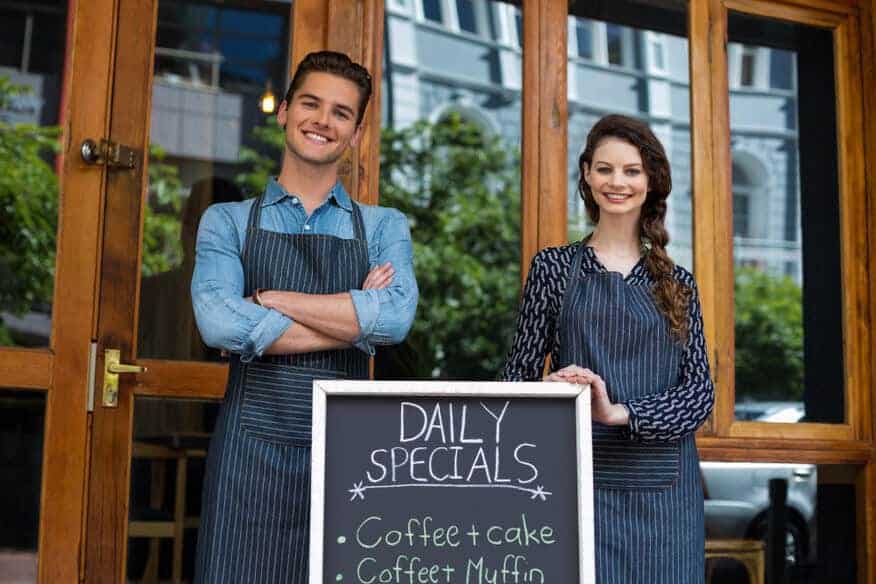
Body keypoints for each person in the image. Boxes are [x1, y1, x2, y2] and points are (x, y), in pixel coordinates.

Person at [191, 51, 419, 583]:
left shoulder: (384, 226)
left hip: (353, 460)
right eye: (311, 104)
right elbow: (219, 326)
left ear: (356, 133)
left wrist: (270, 300)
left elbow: (395, 319)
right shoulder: (226, 221)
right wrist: (352, 321)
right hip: (248, 460)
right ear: (285, 111)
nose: (323, 120)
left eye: (341, 113)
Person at [503, 114, 714, 582]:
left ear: (651, 181)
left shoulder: (678, 284)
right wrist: (551, 389)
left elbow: (699, 394)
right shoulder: (554, 269)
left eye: (631, 171)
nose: (616, 181)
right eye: (605, 169)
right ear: (586, 174)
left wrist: (619, 413)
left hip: (666, 498)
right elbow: (514, 381)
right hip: (578, 485)